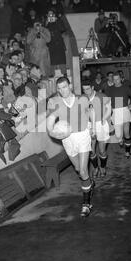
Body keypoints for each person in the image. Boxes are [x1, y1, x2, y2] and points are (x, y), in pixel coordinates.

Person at [46, 76, 94, 217]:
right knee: (79, 169)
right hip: (67, 138)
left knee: (84, 171)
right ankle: (89, 183)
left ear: (70, 86)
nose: (63, 91)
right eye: (59, 88)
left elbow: (91, 111)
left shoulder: (82, 99)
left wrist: (93, 126)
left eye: (65, 87)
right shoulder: (55, 102)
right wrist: (51, 132)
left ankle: (86, 203)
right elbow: (50, 119)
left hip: (82, 135)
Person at [82, 79, 111, 178]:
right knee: (91, 150)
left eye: (88, 89)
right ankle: (95, 168)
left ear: (93, 88)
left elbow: (109, 109)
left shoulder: (102, 96)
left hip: (101, 124)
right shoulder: (82, 98)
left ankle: (103, 167)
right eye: (84, 90)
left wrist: (104, 118)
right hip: (89, 126)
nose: (86, 92)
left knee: (102, 151)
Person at [106, 72, 131, 158]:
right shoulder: (110, 89)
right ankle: (120, 139)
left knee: (127, 133)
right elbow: (106, 100)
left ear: (121, 79)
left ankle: (127, 152)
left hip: (125, 110)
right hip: (115, 111)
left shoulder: (126, 88)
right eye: (114, 79)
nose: (116, 81)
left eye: (117, 79)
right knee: (118, 135)